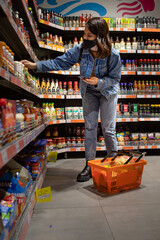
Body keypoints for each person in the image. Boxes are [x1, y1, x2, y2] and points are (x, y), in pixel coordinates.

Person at [21, 17, 121, 182]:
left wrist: (99, 81)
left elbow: (115, 78)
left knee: (108, 129)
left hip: (108, 92)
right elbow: (60, 62)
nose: (85, 38)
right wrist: (36, 66)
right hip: (89, 91)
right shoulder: (81, 50)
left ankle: (114, 163)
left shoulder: (113, 54)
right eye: (84, 34)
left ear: (100, 36)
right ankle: (89, 164)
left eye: (89, 36)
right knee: (89, 128)